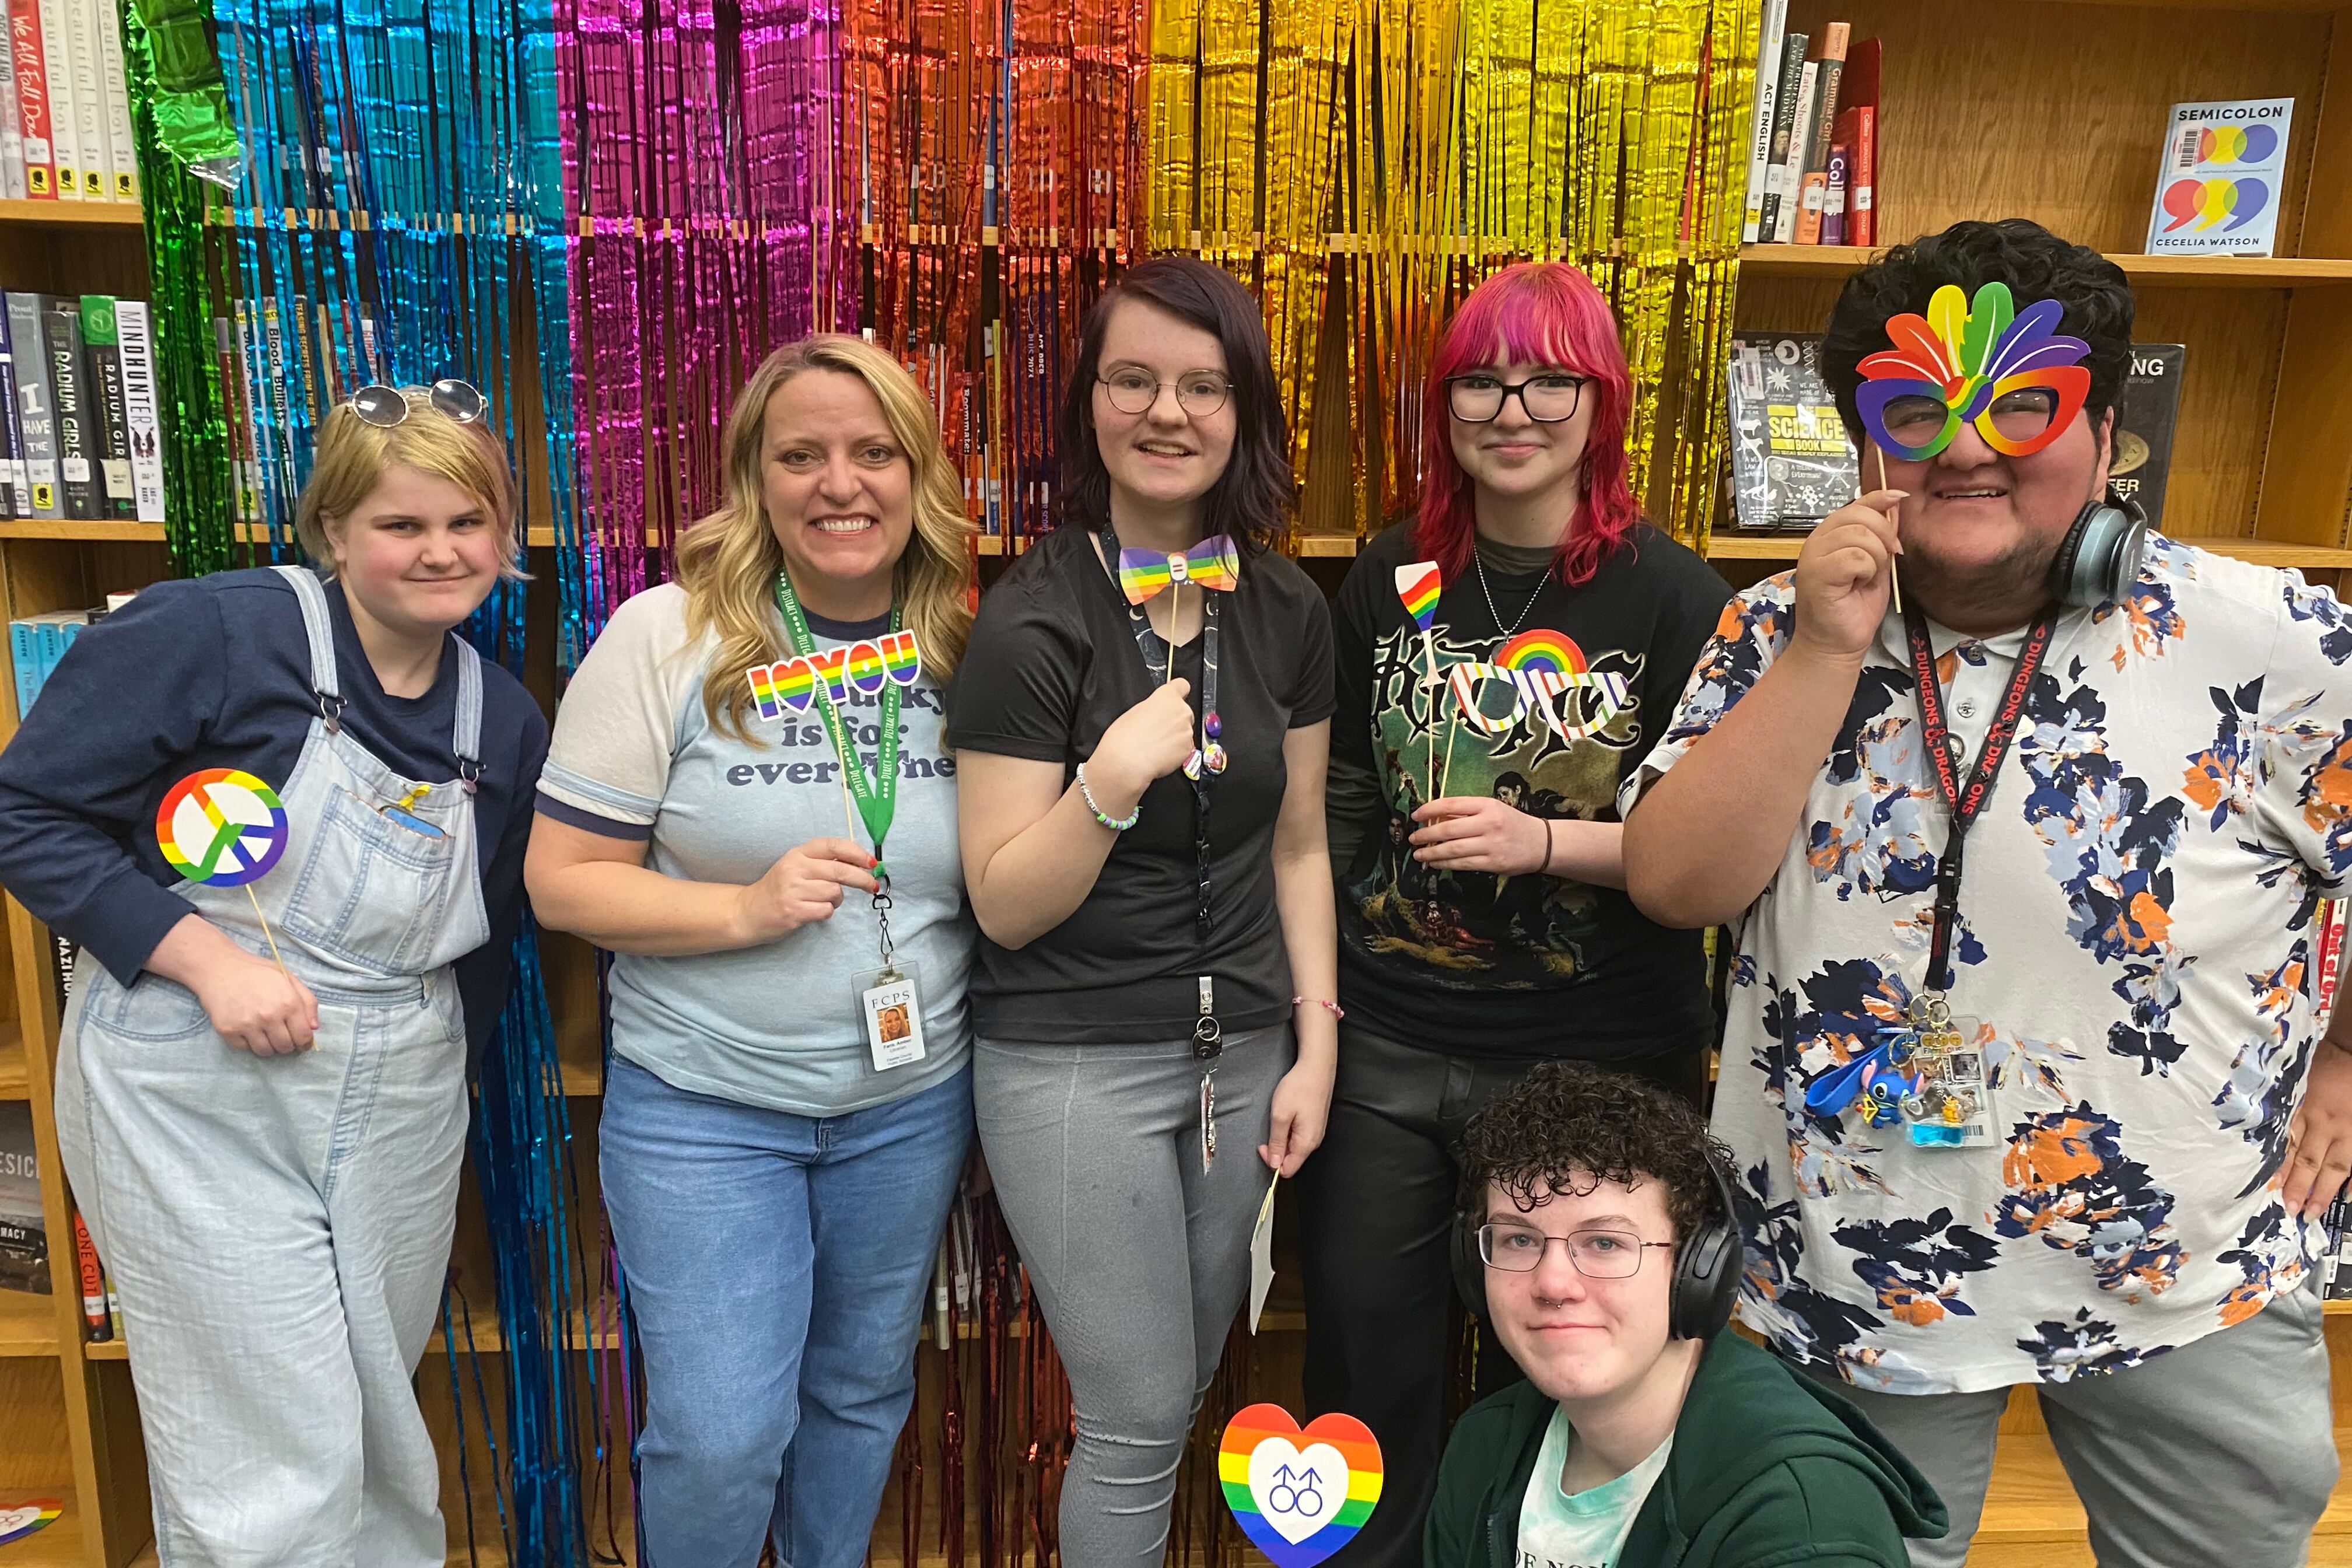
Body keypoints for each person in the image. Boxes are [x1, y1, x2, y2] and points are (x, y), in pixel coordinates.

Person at [1622, 218, 2348, 1566]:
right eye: (1915, 410)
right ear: (1862, 436)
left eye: (2019, 405)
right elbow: (1674, 884)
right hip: (1856, 1266)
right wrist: (1824, 652)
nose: (1963, 451)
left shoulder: (2272, 641)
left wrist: (2350, 1056)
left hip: (2182, 1264)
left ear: (2108, 416)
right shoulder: (1773, 628)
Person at [0, 380, 548, 1564]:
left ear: (503, 537)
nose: (439, 551)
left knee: (376, 1434)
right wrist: (204, 960)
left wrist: (439, 1087)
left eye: (468, 523)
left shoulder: (500, 719)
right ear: (333, 530)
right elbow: (26, 812)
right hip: (200, 1089)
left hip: (401, 1090)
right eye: (401, 526)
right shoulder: (214, 632)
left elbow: (490, 937)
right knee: (268, 1454)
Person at [1303, 260, 1731, 1563]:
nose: (1512, 406)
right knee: (1362, 1378)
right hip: (1384, 1048)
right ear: (1445, 406)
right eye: (1480, 378)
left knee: (1562, 1385)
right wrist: (1312, 1015)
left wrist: (1544, 838)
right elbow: (1334, 803)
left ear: (1601, 402)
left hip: (1595, 1054)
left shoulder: (1673, 597)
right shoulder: (1393, 575)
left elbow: (1714, 851)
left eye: (1550, 377)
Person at [526, 336, 975, 1566]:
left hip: (910, 1102)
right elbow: (560, 882)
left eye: (874, 452)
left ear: (918, 472)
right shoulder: (665, 636)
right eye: (802, 455)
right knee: (723, 1434)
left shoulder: (967, 645)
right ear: (754, 478)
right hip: (708, 1110)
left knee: (859, 1397)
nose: (842, 484)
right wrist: (743, 911)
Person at [949, 255, 1339, 1566]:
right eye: (1133, 380)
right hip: (1074, 1065)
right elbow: (1003, 905)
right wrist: (1108, 782)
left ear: (1243, 413)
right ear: (1089, 406)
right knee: (1130, 1417)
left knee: (1176, 1398)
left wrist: (1315, 1046)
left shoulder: (1287, 609)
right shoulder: (1034, 620)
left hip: (1246, 1068)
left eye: (1202, 385)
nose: (1167, 412)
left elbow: (1297, 849)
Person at [1426, 1063, 1947, 1567]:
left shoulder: (1804, 1524)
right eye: (1519, 1239)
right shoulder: (1484, 1447)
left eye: (1606, 1242)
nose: (1553, 1284)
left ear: (1699, 1270)